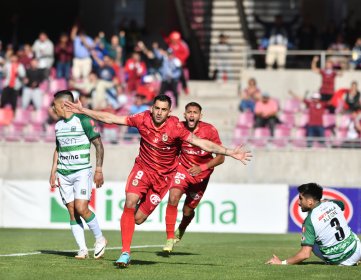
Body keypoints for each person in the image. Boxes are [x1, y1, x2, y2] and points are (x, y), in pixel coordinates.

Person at [64, 94, 252, 268]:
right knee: (130, 202)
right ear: (152, 108)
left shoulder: (176, 127)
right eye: (157, 108)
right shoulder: (142, 118)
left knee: (138, 219)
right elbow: (112, 118)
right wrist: (84, 110)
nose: (159, 112)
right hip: (143, 169)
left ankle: (135, 224)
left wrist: (228, 152)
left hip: (163, 178)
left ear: (169, 112)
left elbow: (201, 142)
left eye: (164, 109)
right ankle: (125, 253)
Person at [49, 90, 107, 259]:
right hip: (63, 174)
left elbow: (99, 145)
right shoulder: (58, 126)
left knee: (82, 208)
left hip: (82, 171)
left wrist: (98, 169)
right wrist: (53, 171)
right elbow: (58, 149)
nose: (53, 109)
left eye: (54, 105)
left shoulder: (83, 120)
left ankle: (100, 239)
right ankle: (82, 249)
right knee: (72, 211)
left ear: (63, 105)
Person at [162, 102, 225, 252]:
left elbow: (221, 157)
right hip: (183, 170)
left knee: (187, 211)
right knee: (173, 197)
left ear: (200, 116)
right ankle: (170, 237)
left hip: (201, 176)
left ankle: (182, 227)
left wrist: (202, 168)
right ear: (184, 114)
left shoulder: (209, 130)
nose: (191, 114)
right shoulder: (179, 127)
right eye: (189, 112)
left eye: (195, 112)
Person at [266, 183, 361, 266]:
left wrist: (282, 262)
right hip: (356, 250)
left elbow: (305, 254)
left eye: (300, 198)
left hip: (341, 262)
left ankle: (342, 259)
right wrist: (325, 203)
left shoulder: (309, 221)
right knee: (350, 232)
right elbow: (342, 205)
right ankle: (359, 256)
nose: (298, 202)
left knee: (312, 243)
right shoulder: (332, 204)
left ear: (310, 202)